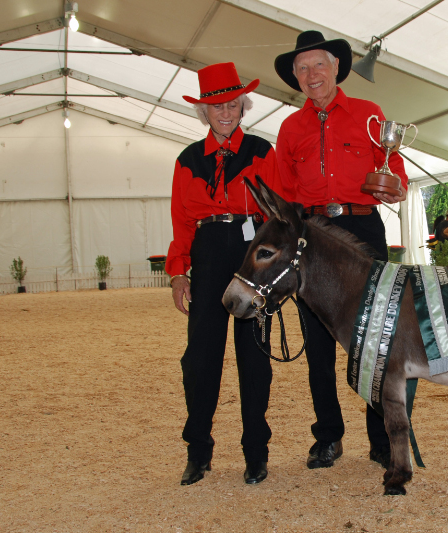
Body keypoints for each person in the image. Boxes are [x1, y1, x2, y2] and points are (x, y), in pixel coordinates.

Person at [274, 31, 408, 470]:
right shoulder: (290, 128)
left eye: (318, 65)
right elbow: (282, 191)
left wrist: (393, 188)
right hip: (313, 233)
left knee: (375, 339)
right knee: (318, 342)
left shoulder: (370, 116)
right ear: (295, 76)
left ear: (335, 67)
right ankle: (328, 436)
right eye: (302, 68)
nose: (311, 75)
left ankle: (383, 437)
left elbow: (398, 174)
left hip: (362, 226)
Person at [166, 63, 285, 486]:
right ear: (204, 110)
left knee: (254, 358)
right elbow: (181, 222)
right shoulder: (187, 160)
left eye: (233, 104)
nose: (226, 112)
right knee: (200, 359)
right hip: (208, 254)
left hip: (250, 255)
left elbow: (276, 213)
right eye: (217, 105)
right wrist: (179, 273)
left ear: (242, 106)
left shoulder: (261, 151)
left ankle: (256, 452)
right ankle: (198, 451)